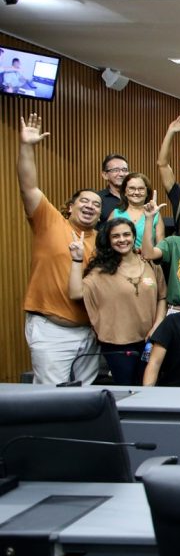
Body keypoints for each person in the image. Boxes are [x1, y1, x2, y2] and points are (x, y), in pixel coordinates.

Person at [17, 113, 99, 385]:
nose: (90, 206)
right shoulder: (49, 221)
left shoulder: (101, 240)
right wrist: (27, 147)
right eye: (84, 201)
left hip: (90, 332)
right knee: (51, 400)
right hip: (51, 329)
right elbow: (28, 186)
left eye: (96, 204)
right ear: (70, 206)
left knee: (86, 399)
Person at [68, 218, 166, 385]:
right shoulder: (101, 271)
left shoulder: (149, 262)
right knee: (127, 390)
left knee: (150, 389)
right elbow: (76, 293)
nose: (122, 240)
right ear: (109, 240)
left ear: (134, 236)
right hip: (118, 345)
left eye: (126, 234)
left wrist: (157, 326)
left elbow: (162, 297)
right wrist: (77, 259)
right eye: (116, 236)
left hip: (150, 342)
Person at [110, 172, 163, 250]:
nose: (136, 192)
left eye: (141, 189)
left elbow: (161, 247)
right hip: (118, 260)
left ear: (147, 192)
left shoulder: (155, 215)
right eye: (132, 188)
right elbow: (106, 243)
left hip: (147, 260)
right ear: (125, 192)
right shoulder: (115, 214)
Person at [97, 153, 128, 222]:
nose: (121, 174)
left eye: (124, 170)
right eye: (115, 170)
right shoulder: (98, 199)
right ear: (105, 175)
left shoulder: (136, 197)